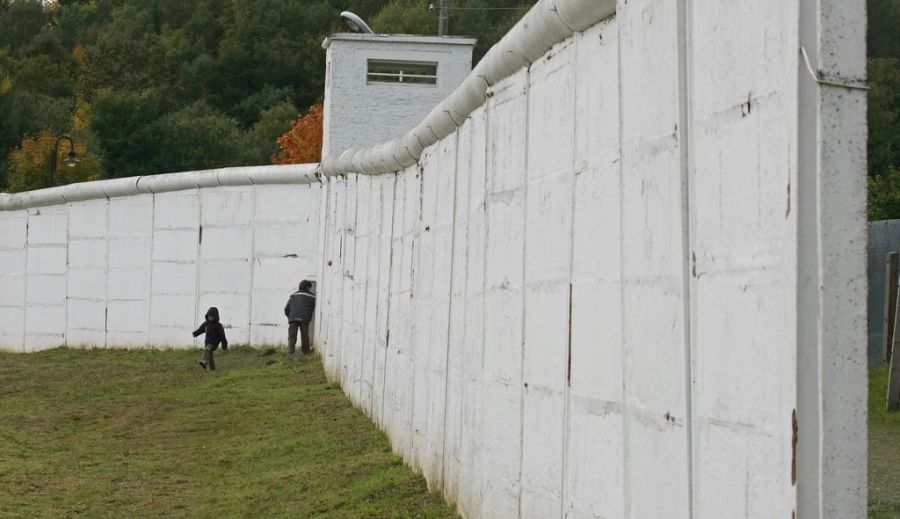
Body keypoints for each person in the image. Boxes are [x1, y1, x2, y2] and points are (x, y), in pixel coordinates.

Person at [284, 280, 316, 355]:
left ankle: (290, 352)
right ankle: (306, 352)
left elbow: (286, 309)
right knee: (304, 336)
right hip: (304, 319)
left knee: (292, 336)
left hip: (293, 318)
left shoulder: (293, 295)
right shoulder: (313, 297)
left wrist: (290, 317)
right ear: (308, 287)